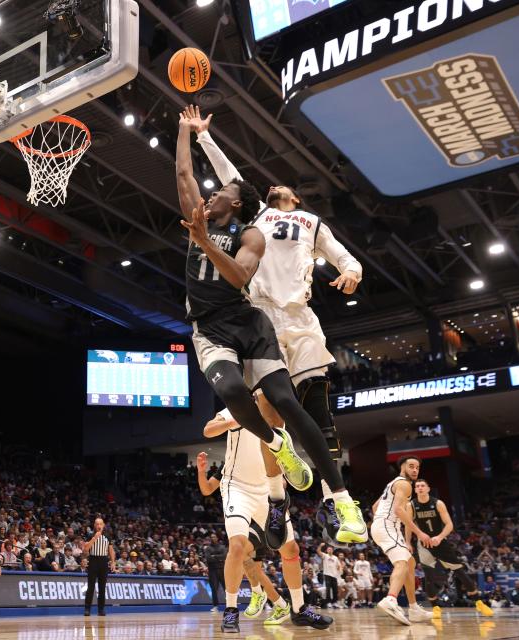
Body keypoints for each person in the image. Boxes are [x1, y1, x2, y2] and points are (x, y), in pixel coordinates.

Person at [176, 109, 367, 546]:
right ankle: (279, 501)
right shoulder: (256, 216)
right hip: (254, 311)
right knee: (270, 412)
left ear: (295, 199)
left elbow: (342, 255)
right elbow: (230, 178)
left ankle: (339, 501)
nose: (275, 185)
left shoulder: (311, 223)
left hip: (297, 319)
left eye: (284, 186)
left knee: (315, 409)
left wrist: (352, 271)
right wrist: (203, 137)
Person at [197, 410, 331, 633]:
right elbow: (208, 430)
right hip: (237, 488)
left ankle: (298, 608)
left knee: (291, 548)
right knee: (238, 546)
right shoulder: (235, 408)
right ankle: (231, 611)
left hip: (268, 490)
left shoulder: (278, 414)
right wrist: (235, 420)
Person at [410, 478, 491, 617]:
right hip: (423, 544)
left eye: (423, 485)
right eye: (417, 486)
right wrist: (408, 541)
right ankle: (435, 608)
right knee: (429, 577)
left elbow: (449, 525)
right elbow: (408, 525)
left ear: (428, 488)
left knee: (460, 572)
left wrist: (439, 537)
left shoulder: (438, 503)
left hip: (440, 541)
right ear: (415, 490)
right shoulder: (411, 505)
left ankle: (479, 602)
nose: (420, 488)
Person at [370, 456, 433, 626]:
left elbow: (375, 507)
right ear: (402, 467)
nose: (414, 470)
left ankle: (413, 609)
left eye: (417, 468)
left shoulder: (393, 484)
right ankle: (390, 600)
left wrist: (405, 540)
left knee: (410, 563)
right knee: (402, 563)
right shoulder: (404, 484)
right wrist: (419, 533)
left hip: (385, 526)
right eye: (411, 466)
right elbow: (398, 510)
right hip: (387, 526)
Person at [83, 517, 115, 617]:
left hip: (103, 562)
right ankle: (87, 609)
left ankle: (101, 609)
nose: (98, 526)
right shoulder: (90, 535)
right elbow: (85, 549)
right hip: (93, 561)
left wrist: (113, 561)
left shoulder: (107, 536)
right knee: (90, 587)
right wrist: (94, 538)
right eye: (97, 524)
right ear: (94, 525)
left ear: (103, 525)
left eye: (100, 524)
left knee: (102, 588)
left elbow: (111, 550)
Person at [203, 532, 227, 613]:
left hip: (222, 570)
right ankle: (215, 606)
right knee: (214, 589)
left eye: (214, 537)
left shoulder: (222, 547)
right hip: (212, 571)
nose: (213, 538)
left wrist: (215, 556)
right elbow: (208, 558)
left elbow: (224, 556)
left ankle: (230, 605)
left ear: (217, 538)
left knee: (226, 588)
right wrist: (219, 557)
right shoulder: (208, 548)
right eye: (211, 537)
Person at [317, 543, 341, 608]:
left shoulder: (335, 558)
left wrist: (338, 570)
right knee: (328, 589)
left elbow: (338, 566)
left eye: (331, 549)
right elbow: (318, 551)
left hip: (334, 575)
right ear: (327, 551)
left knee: (335, 590)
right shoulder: (325, 556)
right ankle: (328, 602)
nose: (330, 550)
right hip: (327, 574)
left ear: (332, 550)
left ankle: (334, 602)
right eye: (328, 549)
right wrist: (320, 546)